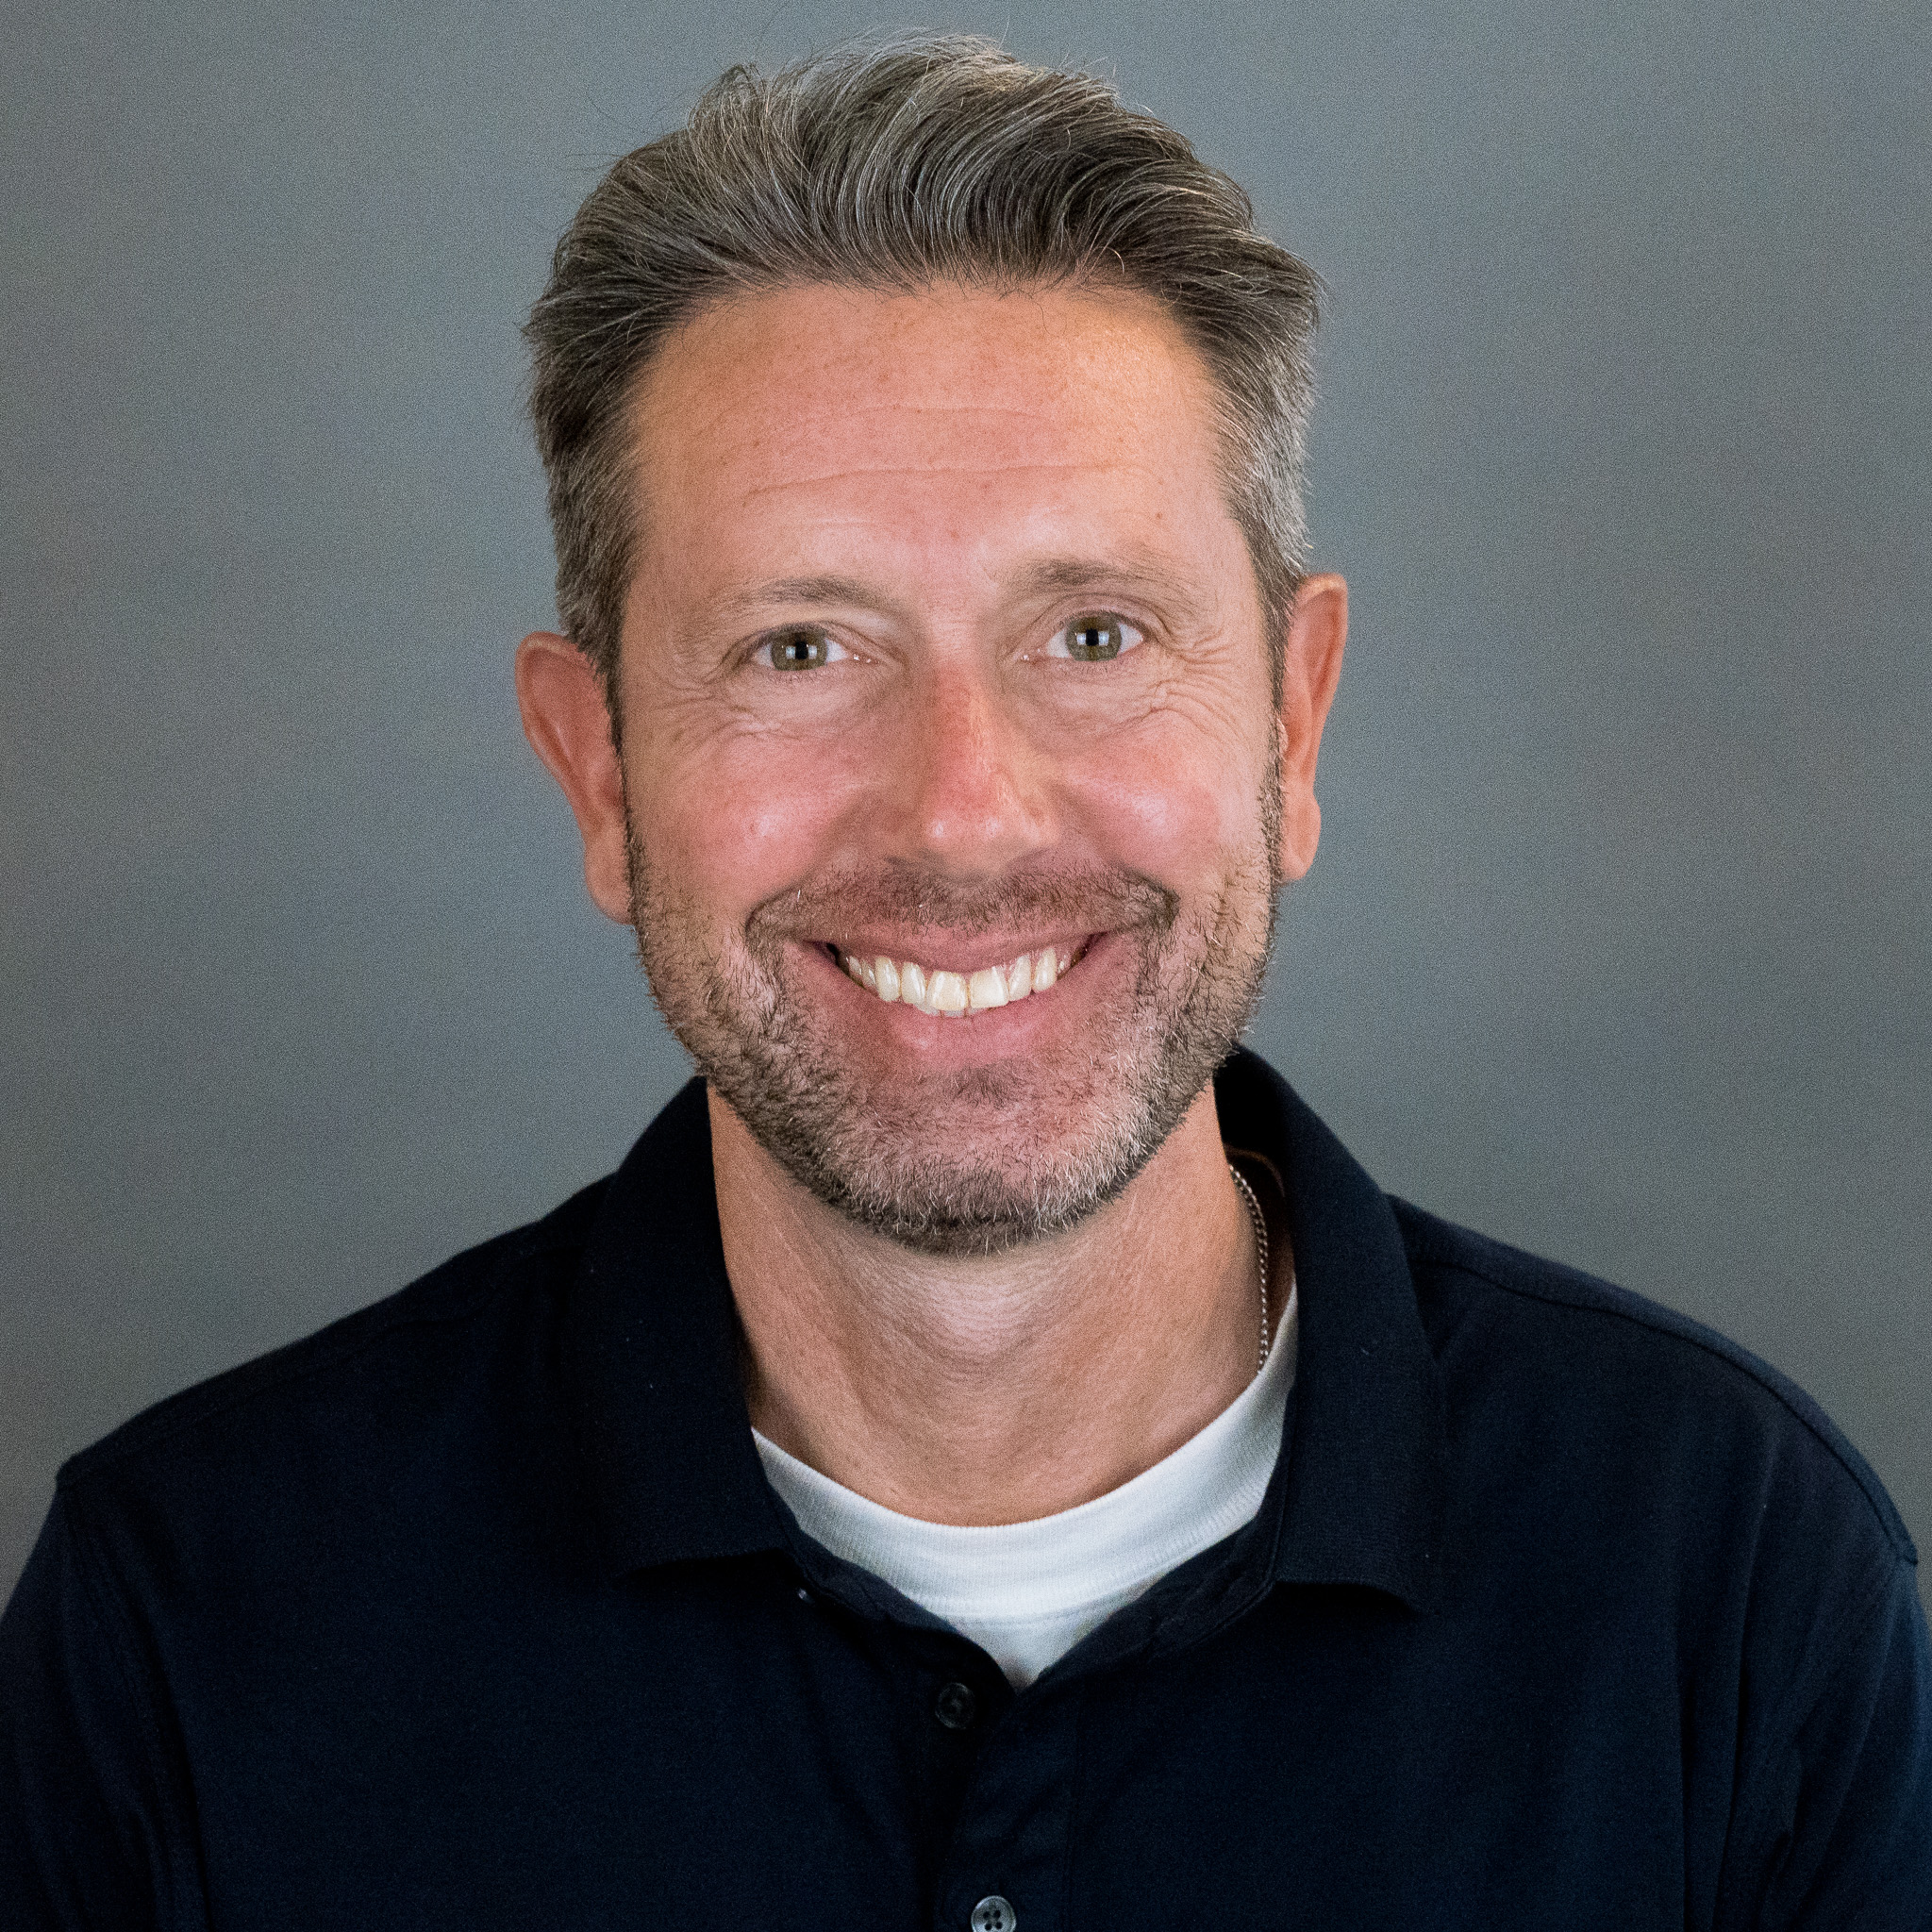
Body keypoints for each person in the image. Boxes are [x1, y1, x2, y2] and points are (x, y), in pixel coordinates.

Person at [2, 34, 1926, 1929]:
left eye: (1092, 631)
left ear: (1294, 716)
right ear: (599, 771)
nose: (964, 811)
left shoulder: (1731, 1577)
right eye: (799, 648)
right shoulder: (190, 1614)